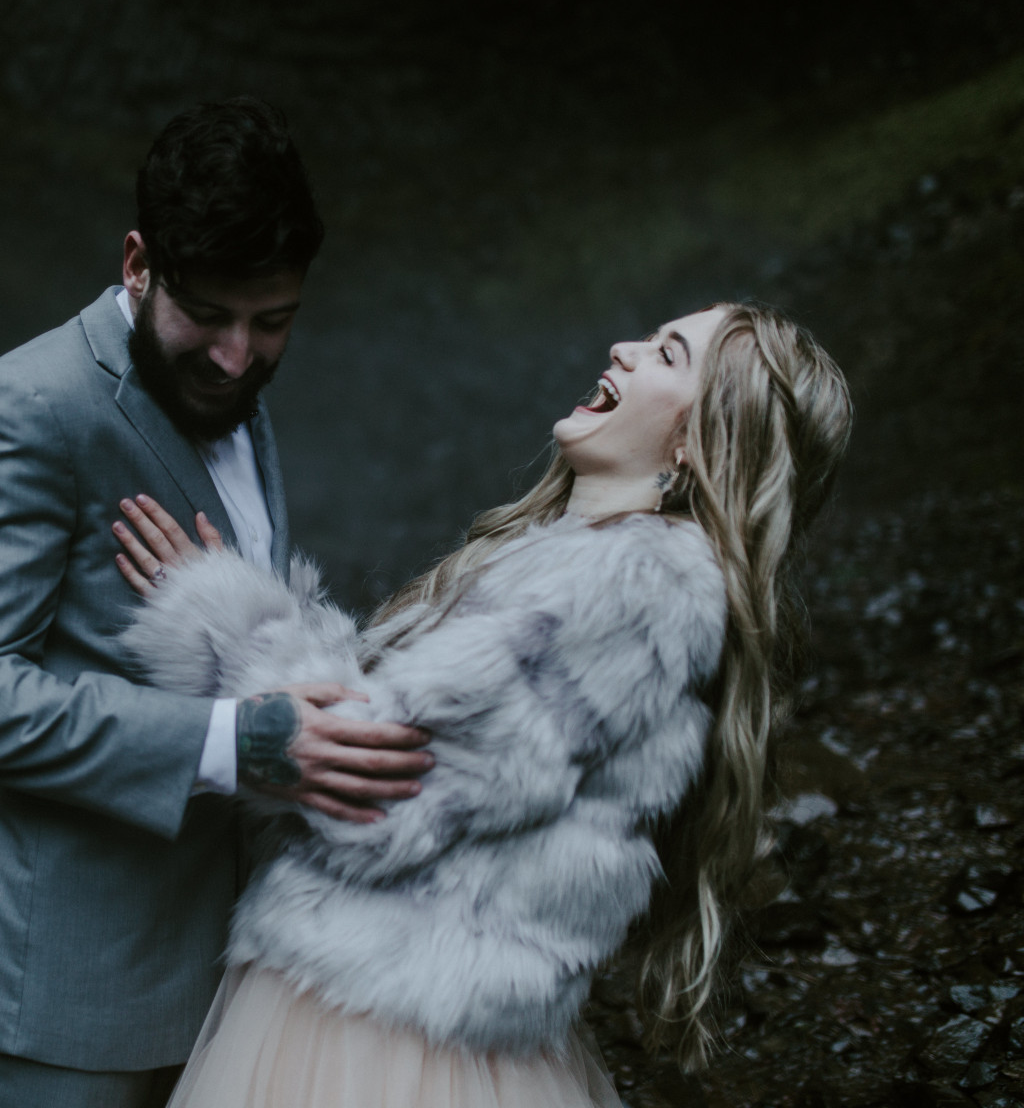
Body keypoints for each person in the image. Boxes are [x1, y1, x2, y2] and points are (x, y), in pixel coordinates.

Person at [111, 303, 853, 1106]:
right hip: (412, 999)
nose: (625, 349)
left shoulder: (628, 588)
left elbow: (381, 792)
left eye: (668, 354)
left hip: (390, 1025)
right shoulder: (589, 565)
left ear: (695, 442)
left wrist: (221, 613)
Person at [0, 97, 434, 1108]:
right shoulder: (22, 411)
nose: (238, 355)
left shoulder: (232, 395)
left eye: (274, 321)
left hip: (218, 963)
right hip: (55, 979)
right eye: (207, 314)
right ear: (136, 263)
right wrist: (242, 743)